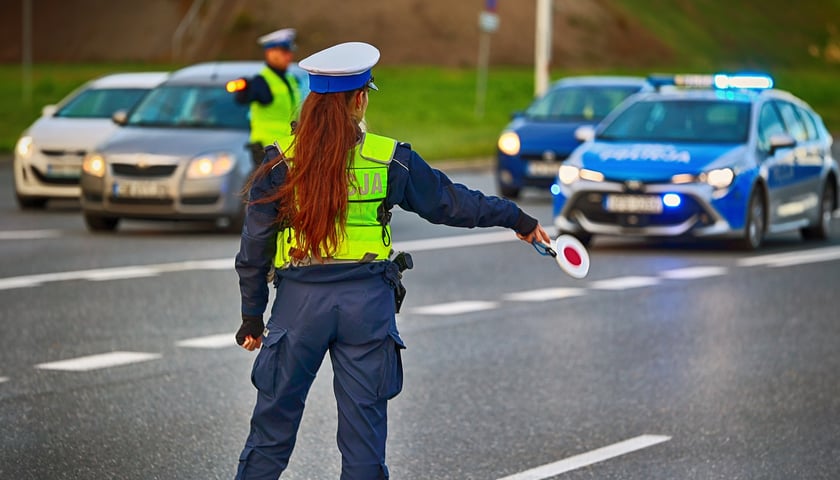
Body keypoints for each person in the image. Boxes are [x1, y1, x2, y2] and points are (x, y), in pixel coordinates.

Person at [233, 41, 551, 480]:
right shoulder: (389, 158)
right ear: (360, 99)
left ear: (311, 102)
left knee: (270, 435)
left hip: (299, 306)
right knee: (364, 445)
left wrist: (252, 316)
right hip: (367, 307)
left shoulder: (281, 161)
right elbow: (450, 202)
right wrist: (516, 217)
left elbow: (255, 246)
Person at [233, 28, 305, 164]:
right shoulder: (261, 81)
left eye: (289, 52)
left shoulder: (291, 79)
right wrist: (246, 88)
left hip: (288, 146)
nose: (289, 56)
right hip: (266, 150)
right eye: (284, 52)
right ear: (270, 52)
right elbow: (241, 100)